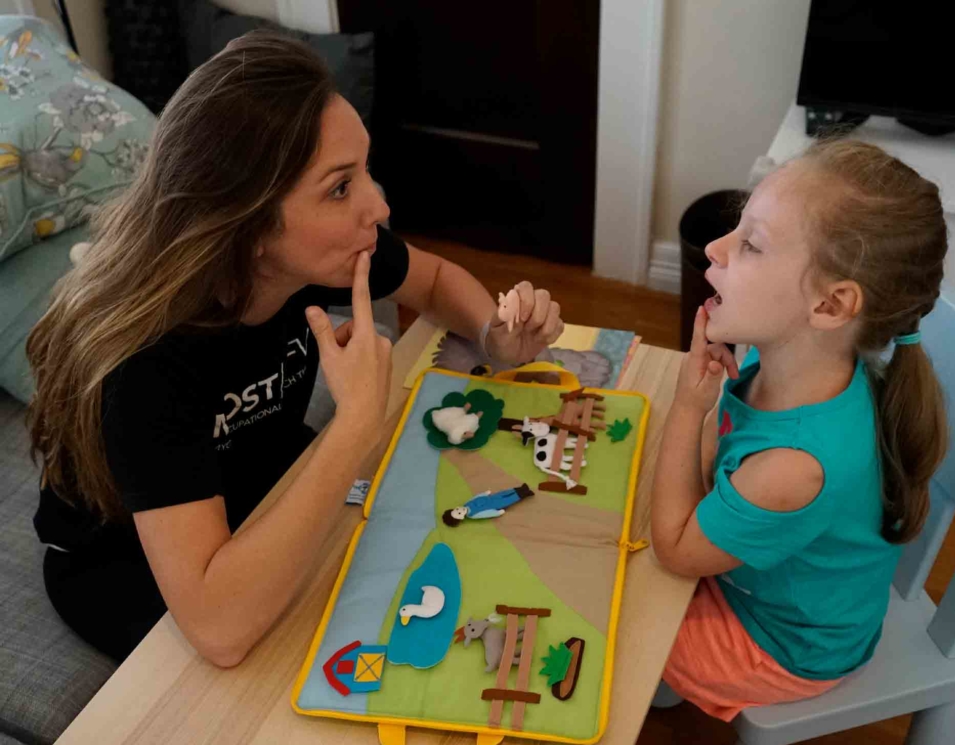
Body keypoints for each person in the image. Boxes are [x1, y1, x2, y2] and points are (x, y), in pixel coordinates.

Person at [26, 32, 563, 667]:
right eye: (340, 188)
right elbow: (219, 628)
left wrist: (495, 335)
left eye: (364, 171)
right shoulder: (147, 367)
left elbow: (436, 279)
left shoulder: (310, 256)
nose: (379, 205)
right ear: (248, 224)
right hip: (131, 562)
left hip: (258, 476)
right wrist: (354, 423)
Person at [650, 138, 949, 721]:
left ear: (832, 307)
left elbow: (677, 550)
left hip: (779, 649)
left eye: (751, 244)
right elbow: (720, 454)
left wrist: (688, 409)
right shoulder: (790, 359)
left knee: (618, 617)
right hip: (761, 587)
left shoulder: (794, 466)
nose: (714, 248)